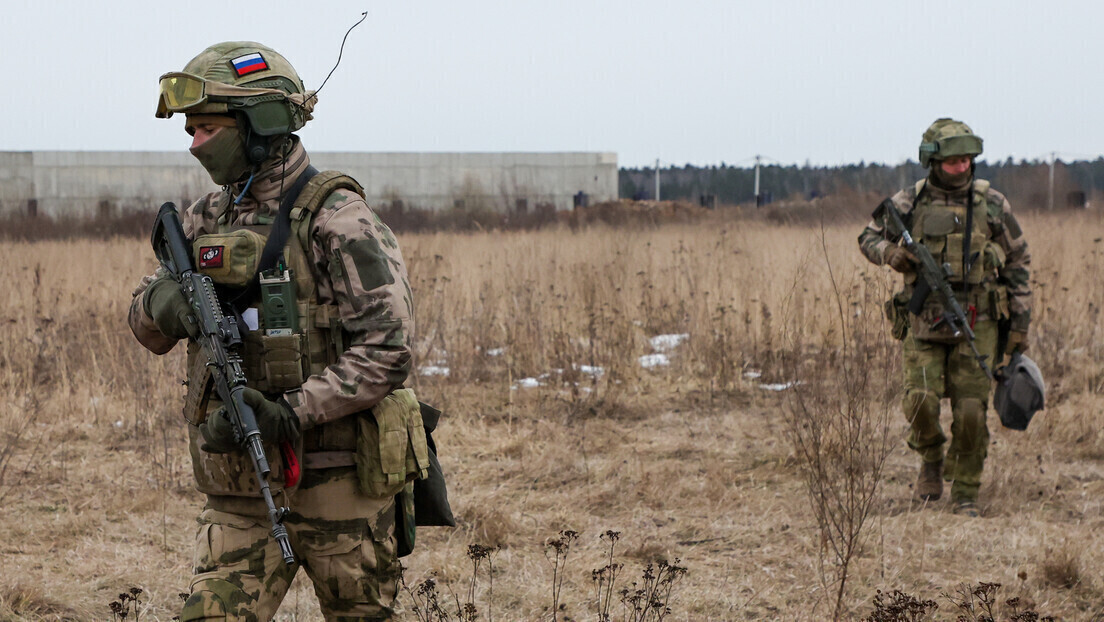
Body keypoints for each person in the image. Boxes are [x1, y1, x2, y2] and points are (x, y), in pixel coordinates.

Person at [129, 41, 420, 620]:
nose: (194, 144)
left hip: (342, 486)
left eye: (207, 127)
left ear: (259, 124)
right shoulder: (200, 220)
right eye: (190, 129)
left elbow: (389, 349)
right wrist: (170, 306)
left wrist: (292, 410)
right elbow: (144, 324)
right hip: (239, 491)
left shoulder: (338, 217)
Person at [858, 118, 1032, 517]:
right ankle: (931, 462)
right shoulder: (910, 201)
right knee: (919, 402)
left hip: (979, 321)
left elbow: (1019, 260)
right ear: (933, 161)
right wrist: (890, 254)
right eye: (953, 161)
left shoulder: (992, 204)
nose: (962, 167)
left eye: (968, 159)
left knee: (972, 410)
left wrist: (1020, 326)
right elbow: (867, 236)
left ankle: (966, 489)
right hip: (924, 321)